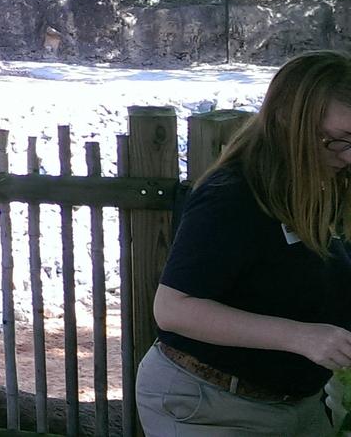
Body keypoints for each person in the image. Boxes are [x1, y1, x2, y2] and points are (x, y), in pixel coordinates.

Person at [137, 49, 351, 435]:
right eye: (336, 140)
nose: (347, 155)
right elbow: (173, 309)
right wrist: (301, 337)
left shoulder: (327, 182)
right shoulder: (232, 195)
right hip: (208, 405)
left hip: (298, 405)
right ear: (290, 123)